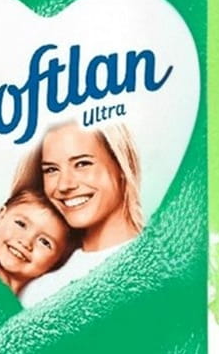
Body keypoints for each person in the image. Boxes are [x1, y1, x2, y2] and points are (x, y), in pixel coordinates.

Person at [15, 122, 143, 307]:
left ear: (122, 166)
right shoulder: (36, 291)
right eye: (51, 170)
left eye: (82, 164)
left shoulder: (165, 263)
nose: (64, 185)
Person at [0, 189, 75, 298]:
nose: (26, 242)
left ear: (57, 262)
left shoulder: (31, 299)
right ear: (1, 217)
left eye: (45, 242)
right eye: (21, 224)